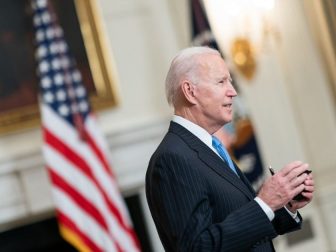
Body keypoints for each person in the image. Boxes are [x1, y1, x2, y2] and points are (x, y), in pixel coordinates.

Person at [145, 46, 314, 252]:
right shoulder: (172, 158)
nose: (233, 92)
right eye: (221, 81)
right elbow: (197, 248)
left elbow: (243, 228)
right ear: (190, 91)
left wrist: (284, 203)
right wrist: (265, 202)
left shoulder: (211, 147)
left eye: (230, 81)